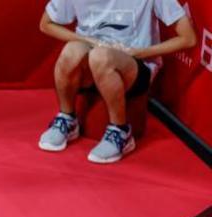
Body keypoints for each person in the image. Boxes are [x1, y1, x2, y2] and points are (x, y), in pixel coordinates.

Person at [38, 0, 195, 163]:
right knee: (71, 51)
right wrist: (86, 40)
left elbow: (188, 38)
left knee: (100, 57)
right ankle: (67, 118)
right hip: (90, 57)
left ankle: (120, 130)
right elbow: (46, 24)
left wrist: (141, 52)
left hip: (134, 63)